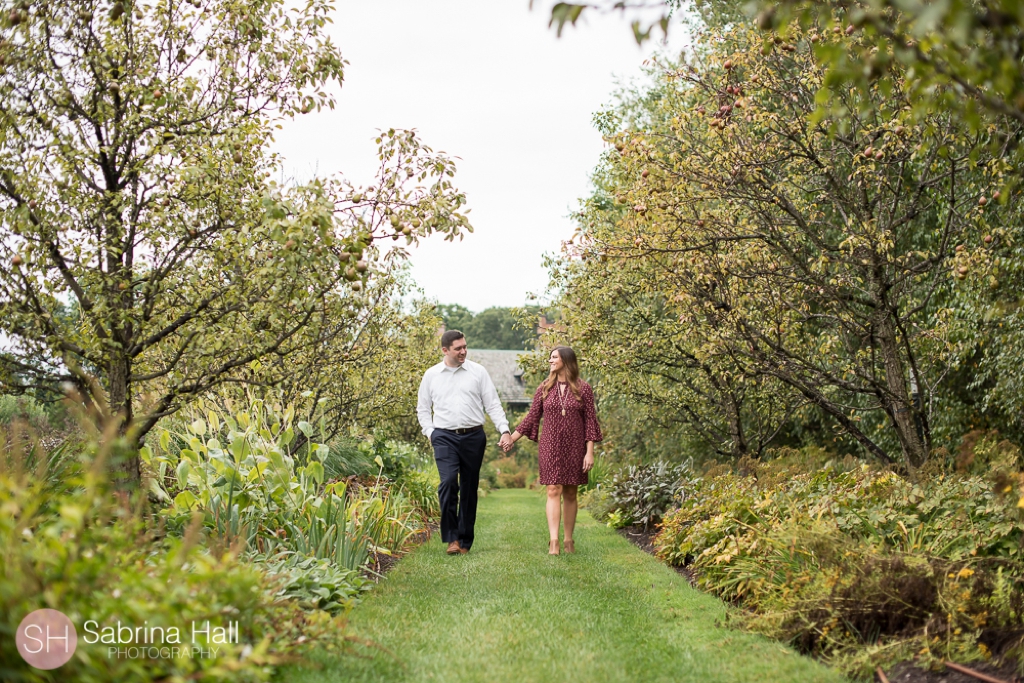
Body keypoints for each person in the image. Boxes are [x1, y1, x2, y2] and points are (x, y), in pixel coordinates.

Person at [417, 330, 513, 555]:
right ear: (445, 350)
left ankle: (465, 541)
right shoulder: (431, 375)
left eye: (464, 347)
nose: (463, 351)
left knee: (469, 488)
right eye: (458, 348)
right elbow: (422, 408)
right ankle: (451, 538)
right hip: (443, 436)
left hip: (473, 436)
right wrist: (430, 432)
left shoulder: (478, 372)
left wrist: (505, 430)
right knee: (449, 482)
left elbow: (492, 404)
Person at [503, 346, 602, 555]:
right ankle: (554, 541)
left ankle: (568, 540)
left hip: (575, 445)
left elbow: (591, 422)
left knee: (571, 492)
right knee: (552, 489)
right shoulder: (544, 388)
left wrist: (589, 451)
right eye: (550, 358)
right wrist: (511, 438)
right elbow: (531, 417)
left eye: (554, 357)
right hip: (550, 445)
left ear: (566, 360)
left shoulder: (584, 389)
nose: (550, 361)